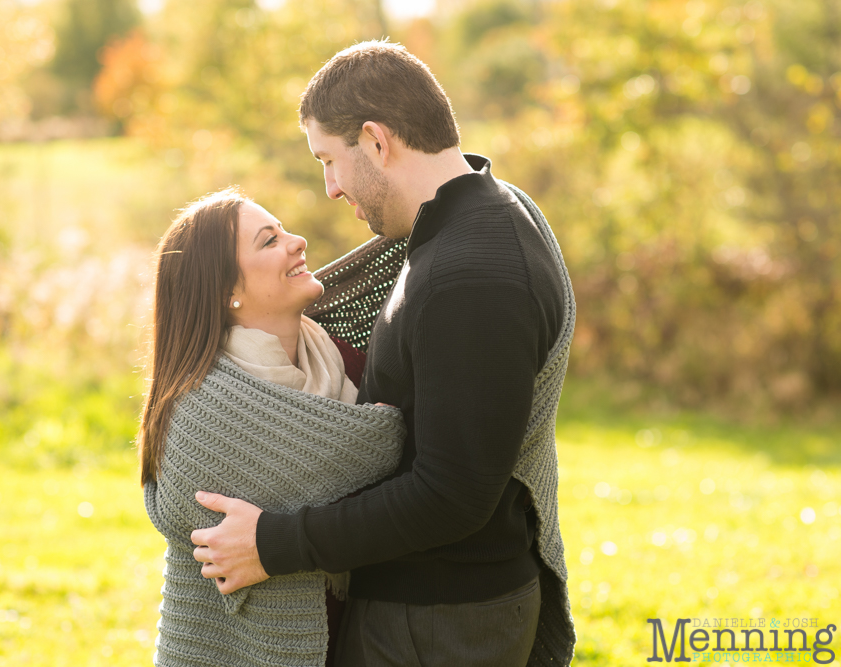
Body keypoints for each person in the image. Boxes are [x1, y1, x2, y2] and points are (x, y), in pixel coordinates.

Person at [191, 41, 578, 666]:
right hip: (433, 613)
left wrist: (274, 543)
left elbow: (451, 496)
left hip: (439, 624)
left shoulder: (471, 274)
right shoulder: (463, 222)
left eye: (329, 160)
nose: (330, 189)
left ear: (376, 141)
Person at [139, 189, 409, 666]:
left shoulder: (348, 359)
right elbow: (385, 449)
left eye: (285, 230)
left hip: (370, 633)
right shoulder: (203, 410)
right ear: (227, 291)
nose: (298, 241)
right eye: (270, 241)